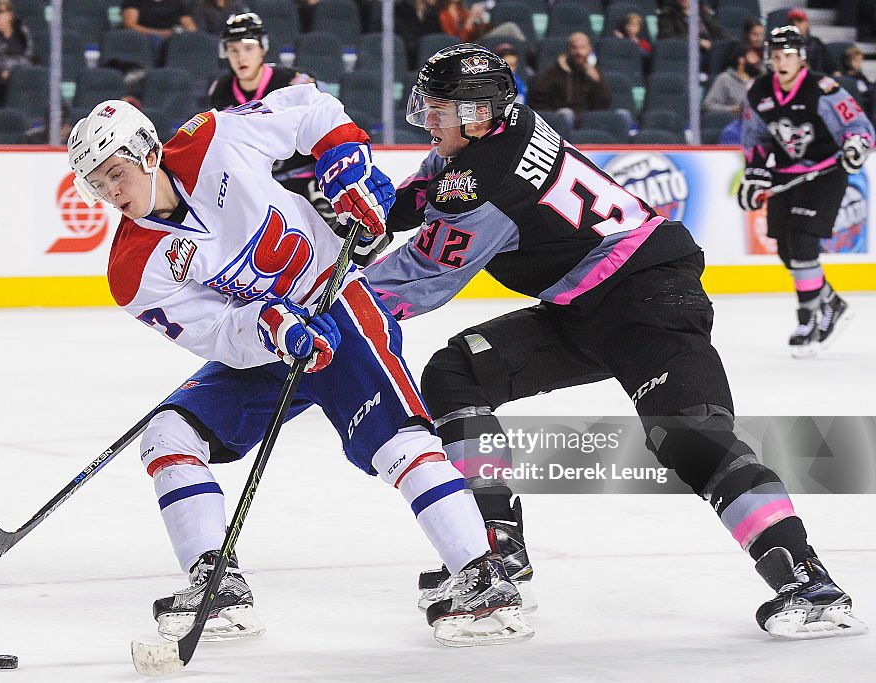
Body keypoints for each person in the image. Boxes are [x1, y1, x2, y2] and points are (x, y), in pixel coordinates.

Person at [365, 42, 868, 640]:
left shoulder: (487, 181)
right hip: (584, 307)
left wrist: (325, 302)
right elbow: (428, 192)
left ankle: (809, 583)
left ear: (480, 114)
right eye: (430, 109)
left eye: (443, 111)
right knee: (459, 371)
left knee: (692, 439)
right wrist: (366, 209)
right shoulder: (502, 133)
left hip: (645, 299)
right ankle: (495, 548)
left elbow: (418, 280)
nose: (429, 123)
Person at [65, 89, 534, 646]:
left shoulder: (211, 140)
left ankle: (483, 579)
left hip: (336, 302)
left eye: (115, 173)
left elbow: (311, 109)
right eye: (97, 184)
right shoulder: (132, 270)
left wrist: (344, 161)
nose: (111, 193)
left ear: (147, 153)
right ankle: (216, 585)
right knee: (169, 433)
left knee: (396, 440)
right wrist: (269, 327)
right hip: (273, 343)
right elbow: (215, 333)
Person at [738, 26, 874, 357]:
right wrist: (755, 175)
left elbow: (859, 127)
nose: (782, 62)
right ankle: (830, 302)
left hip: (826, 173)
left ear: (801, 58)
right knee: (786, 250)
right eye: (776, 56)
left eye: (788, 56)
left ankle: (808, 318)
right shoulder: (759, 91)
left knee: (802, 243)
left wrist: (856, 145)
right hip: (786, 175)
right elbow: (755, 138)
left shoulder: (824, 89)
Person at [208, 13, 336, 229]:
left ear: (263, 48)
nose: (241, 58)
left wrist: (325, 175)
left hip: (304, 178)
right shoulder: (220, 90)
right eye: (233, 50)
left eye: (248, 48)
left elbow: (328, 125)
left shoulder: (295, 82)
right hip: (257, 184)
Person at [530, 31, 611, 130]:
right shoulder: (551, 73)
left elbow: (604, 105)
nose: (579, 52)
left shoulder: (594, 73)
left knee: (622, 115)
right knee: (567, 114)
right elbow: (538, 102)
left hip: (586, 120)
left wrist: (597, 82)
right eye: (574, 48)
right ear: (568, 49)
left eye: (583, 48)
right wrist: (554, 113)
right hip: (560, 121)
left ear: (589, 49)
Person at [121, 0, 197, 64]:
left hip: (173, 38)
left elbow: (190, 27)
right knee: (156, 40)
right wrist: (161, 34)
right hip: (145, 39)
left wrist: (182, 34)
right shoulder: (134, 2)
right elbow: (130, 25)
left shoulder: (176, 3)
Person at [702, 44, 756, 116]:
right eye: (752, 57)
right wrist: (732, 109)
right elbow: (709, 105)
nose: (757, 60)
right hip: (734, 123)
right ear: (741, 60)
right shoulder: (725, 79)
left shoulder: (759, 79)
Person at [394, 0, 441, 69]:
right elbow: (406, 37)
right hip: (408, 60)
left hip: (431, 61)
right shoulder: (400, 9)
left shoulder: (434, 11)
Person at [786, 8, 833, 76]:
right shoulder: (782, 45)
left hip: (816, 80)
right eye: (792, 23)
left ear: (807, 24)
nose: (796, 25)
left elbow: (831, 68)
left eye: (799, 21)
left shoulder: (817, 43)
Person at [835, 45, 874, 114]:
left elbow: (868, 85)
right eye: (855, 61)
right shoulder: (843, 75)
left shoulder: (860, 75)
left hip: (865, 98)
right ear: (847, 61)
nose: (858, 64)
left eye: (860, 60)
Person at [492, 42, 527, 107]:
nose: (510, 69)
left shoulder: (518, 82)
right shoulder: (491, 84)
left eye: (513, 65)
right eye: (507, 65)